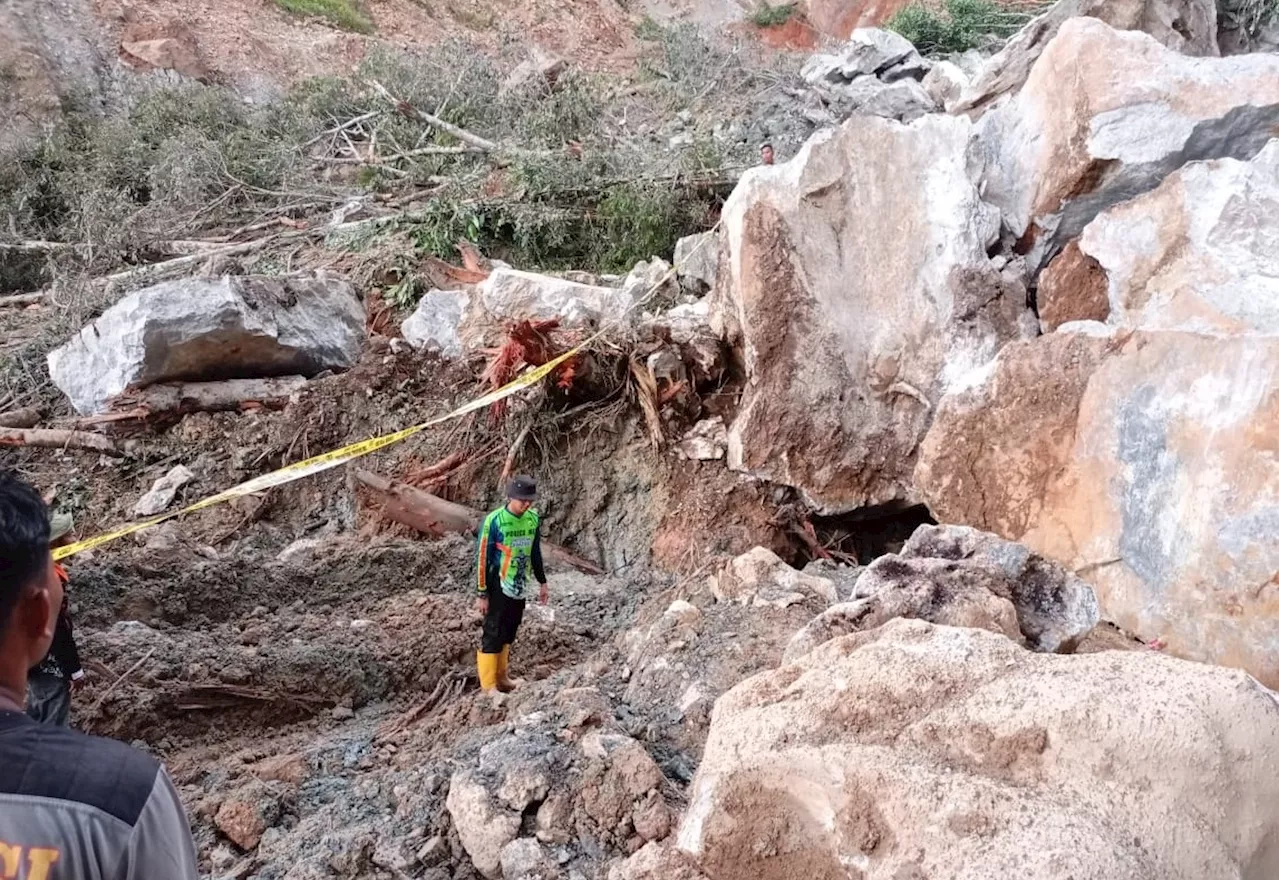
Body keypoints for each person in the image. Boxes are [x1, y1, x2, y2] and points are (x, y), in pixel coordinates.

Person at [0, 471, 200, 879]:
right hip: (52, 673)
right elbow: (66, 638)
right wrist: (73, 670)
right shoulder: (121, 798)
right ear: (39, 613)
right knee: (51, 712)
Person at [475, 475, 549, 694]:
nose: (526, 504)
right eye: (522, 500)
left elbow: (535, 552)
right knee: (493, 632)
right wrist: (482, 592)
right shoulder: (494, 521)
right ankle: (488, 687)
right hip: (498, 583)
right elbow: (482, 557)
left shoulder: (533, 519)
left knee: (509, 630)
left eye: (530, 501)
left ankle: (503, 677)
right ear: (510, 497)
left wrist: (542, 581)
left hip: (520, 585)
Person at [26, 512, 85, 726]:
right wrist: (74, 669)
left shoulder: (30, 572)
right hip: (49, 663)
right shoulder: (49, 580)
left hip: (33, 661)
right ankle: (45, 758)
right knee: (53, 724)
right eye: (69, 535)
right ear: (57, 543)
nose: (75, 539)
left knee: (37, 710)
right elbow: (58, 628)